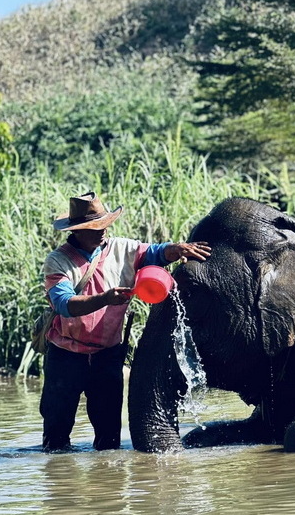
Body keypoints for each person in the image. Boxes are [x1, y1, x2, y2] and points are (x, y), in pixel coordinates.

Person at [40, 192, 211, 452]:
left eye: (105, 224)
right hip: (66, 356)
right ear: (77, 231)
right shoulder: (58, 260)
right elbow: (64, 304)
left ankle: (108, 477)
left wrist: (176, 249)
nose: (103, 231)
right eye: (95, 227)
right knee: (56, 438)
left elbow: (155, 253)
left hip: (107, 356)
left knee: (109, 439)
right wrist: (105, 298)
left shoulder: (122, 249)